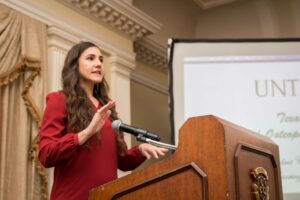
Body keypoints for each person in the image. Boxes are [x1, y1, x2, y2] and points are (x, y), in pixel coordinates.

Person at [38, 41, 169, 200]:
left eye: (101, 60)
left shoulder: (105, 108)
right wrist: (86, 133)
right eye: (90, 58)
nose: (98, 64)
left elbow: (121, 161)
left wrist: (140, 150)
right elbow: (46, 154)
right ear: (74, 65)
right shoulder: (59, 100)